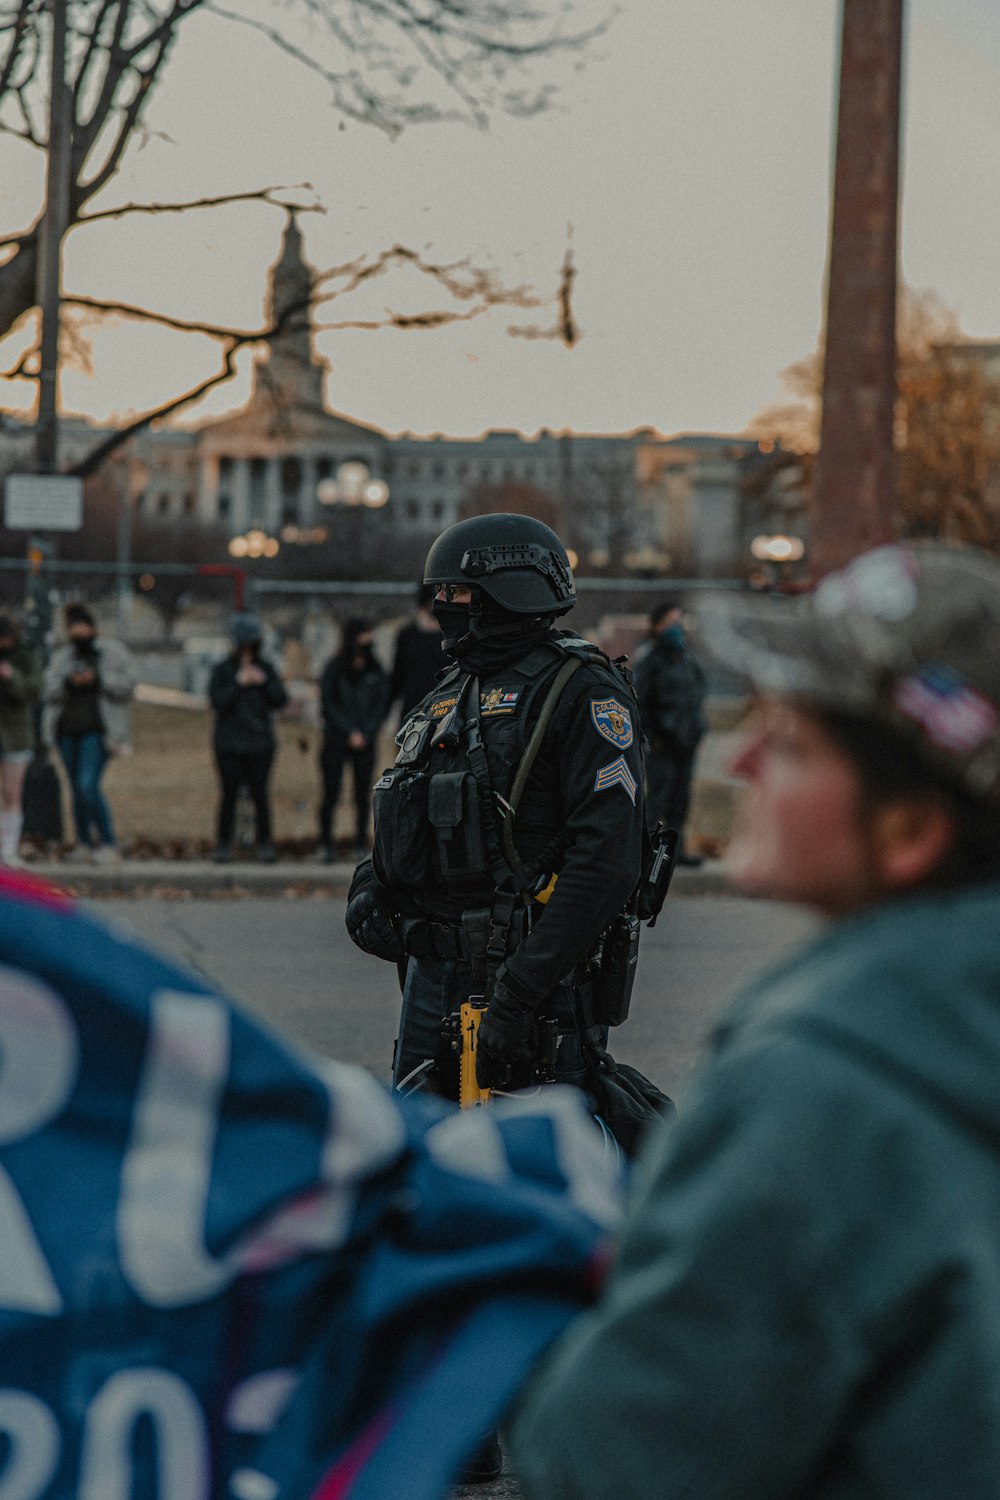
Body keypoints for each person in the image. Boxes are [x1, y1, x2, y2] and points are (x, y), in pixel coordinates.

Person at [510, 540, 1000, 1500]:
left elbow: (608, 1461)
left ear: (909, 831)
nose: (742, 758)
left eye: (796, 742)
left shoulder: (819, 1087)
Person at [346, 512, 646, 1105]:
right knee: (427, 1170)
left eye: (456, 593)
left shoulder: (581, 689)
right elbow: (408, 800)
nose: (441, 607)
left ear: (506, 591)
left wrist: (519, 995)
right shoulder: (453, 687)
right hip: (432, 984)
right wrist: (368, 885)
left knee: (526, 1176)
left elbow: (607, 859)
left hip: (528, 987)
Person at [43, 602, 136, 863]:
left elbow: (129, 685)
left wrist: (98, 680)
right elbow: (47, 689)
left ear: (94, 629)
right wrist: (67, 682)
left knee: (88, 786)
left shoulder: (112, 653)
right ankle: (83, 843)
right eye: (74, 628)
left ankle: (108, 842)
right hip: (66, 730)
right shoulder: (63, 656)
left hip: (97, 730)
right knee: (75, 789)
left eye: (83, 628)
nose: (78, 634)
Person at [631, 594, 707, 865]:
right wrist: (655, 736)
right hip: (663, 745)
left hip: (686, 742)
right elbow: (640, 701)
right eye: (670, 621)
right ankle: (648, 853)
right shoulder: (650, 659)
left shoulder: (685, 657)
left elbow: (697, 691)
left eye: (679, 620)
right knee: (658, 801)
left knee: (680, 800)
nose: (677, 626)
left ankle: (676, 851)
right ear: (657, 626)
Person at [209, 613, 288, 863]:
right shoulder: (223, 670)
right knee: (229, 795)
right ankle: (223, 844)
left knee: (260, 795)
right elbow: (217, 701)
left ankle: (265, 843)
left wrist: (263, 682)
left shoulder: (266, 668)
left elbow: (280, 699)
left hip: (260, 743)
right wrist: (238, 682)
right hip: (229, 743)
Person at [317, 617, 390, 862]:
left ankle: (360, 842)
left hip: (366, 742)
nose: (369, 641)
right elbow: (328, 704)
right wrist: (349, 732)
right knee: (330, 793)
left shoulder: (376, 669)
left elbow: (381, 705)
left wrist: (366, 733)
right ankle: (326, 843)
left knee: (362, 794)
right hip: (336, 740)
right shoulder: (334, 668)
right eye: (364, 635)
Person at [0, 611, 42, 865]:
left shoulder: (25, 656)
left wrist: (10, 676)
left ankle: (9, 848)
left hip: (15, 735)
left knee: (11, 792)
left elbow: (35, 690)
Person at [387, 582, 444, 722]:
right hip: (413, 707)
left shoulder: (451, 635)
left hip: (444, 706)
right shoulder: (407, 634)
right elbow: (397, 674)